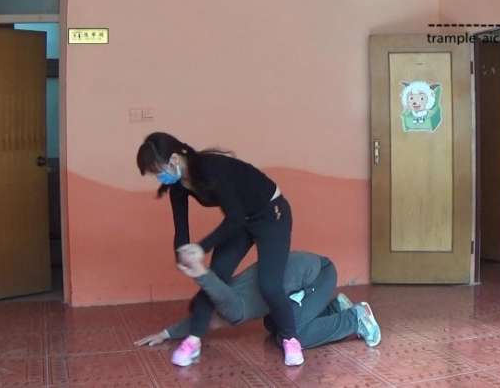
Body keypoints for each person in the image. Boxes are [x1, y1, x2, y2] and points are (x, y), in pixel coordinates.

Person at [136, 132, 302, 366]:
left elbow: (234, 218)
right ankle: (193, 341)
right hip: (241, 220)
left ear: (173, 159)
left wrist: (200, 248)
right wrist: (182, 255)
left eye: (158, 171)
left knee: (269, 284)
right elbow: (181, 228)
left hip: (271, 214)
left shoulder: (211, 169)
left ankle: (290, 339)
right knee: (214, 278)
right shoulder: (178, 186)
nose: (159, 177)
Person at [134, 251, 381, 354]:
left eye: (205, 323)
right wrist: (165, 333)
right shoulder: (228, 297)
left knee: (293, 337)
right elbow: (200, 317)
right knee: (272, 325)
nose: (206, 328)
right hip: (303, 279)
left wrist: (199, 272)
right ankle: (335, 308)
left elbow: (214, 291)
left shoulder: (233, 307)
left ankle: (356, 318)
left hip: (319, 275)